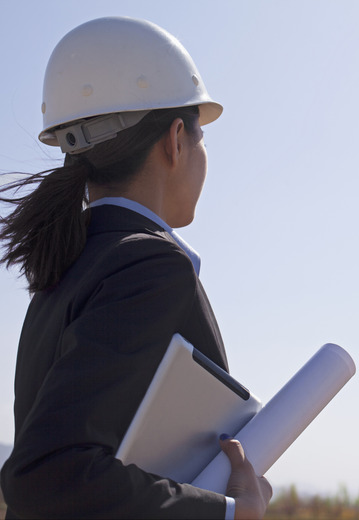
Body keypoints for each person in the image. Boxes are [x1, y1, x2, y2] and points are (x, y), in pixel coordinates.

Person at [0, 16, 272, 519]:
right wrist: (231, 512)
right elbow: (48, 473)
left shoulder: (68, 264)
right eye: (201, 136)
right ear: (174, 139)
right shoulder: (149, 264)